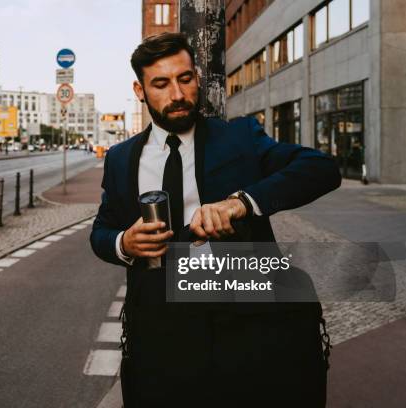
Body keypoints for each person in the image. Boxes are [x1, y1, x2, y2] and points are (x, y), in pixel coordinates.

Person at [90, 32, 341, 407]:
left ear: (196, 79)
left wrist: (242, 203)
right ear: (140, 90)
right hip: (159, 332)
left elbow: (321, 168)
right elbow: (101, 230)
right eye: (160, 83)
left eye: (185, 79)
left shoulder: (239, 138)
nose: (177, 94)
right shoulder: (121, 158)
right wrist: (123, 243)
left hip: (246, 326)